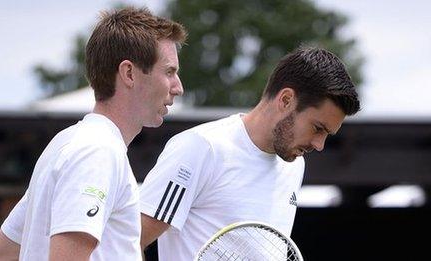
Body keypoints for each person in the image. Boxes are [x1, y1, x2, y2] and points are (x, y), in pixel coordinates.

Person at [0, 7, 186, 261]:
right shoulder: (97, 152)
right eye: (169, 72)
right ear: (129, 73)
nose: (178, 87)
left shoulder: (67, 144)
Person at [139, 47, 360, 260]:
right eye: (318, 128)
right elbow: (128, 241)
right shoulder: (200, 148)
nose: (319, 145)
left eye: (327, 134)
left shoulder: (294, 165)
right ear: (286, 100)